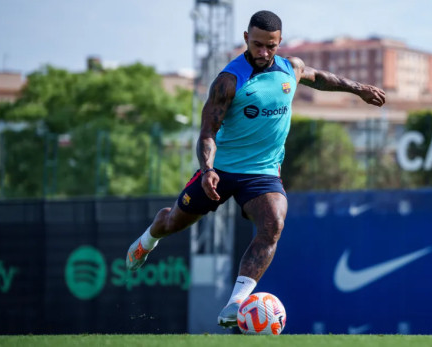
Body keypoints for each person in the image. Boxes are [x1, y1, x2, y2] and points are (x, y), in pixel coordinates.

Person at [125, 10, 386, 328]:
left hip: (262, 173)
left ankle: (235, 304)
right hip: (220, 172)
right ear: (246, 39)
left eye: (271, 46)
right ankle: (148, 238)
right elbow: (207, 132)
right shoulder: (229, 80)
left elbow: (319, 78)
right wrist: (207, 169)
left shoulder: (291, 68)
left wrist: (358, 88)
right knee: (173, 223)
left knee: (273, 222)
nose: (263, 52)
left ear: (279, 43)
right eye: (258, 44)